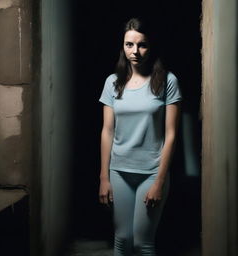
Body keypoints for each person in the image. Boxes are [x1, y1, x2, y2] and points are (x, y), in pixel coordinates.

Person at [98, 17, 182, 256]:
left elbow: (171, 134)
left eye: (142, 45)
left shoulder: (168, 81)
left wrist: (159, 181)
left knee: (142, 243)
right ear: (123, 46)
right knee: (122, 240)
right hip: (119, 171)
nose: (135, 51)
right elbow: (107, 131)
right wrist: (104, 176)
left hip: (152, 172)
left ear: (151, 46)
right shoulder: (113, 83)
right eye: (129, 45)